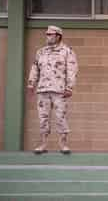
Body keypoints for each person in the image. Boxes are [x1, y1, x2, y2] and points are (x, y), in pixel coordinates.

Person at [27, 26, 79, 155]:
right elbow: (35, 68)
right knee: (43, 117)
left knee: (60, 116)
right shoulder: (41, 52)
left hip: (59, 90)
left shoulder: (67, 51)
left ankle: (63, 144)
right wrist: (31, 84)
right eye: (47, 34)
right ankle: (43, 144)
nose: (47, 37)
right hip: (43, 89)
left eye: (50, 34)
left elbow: (72, 70)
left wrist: (69, 87)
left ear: (58, 36)